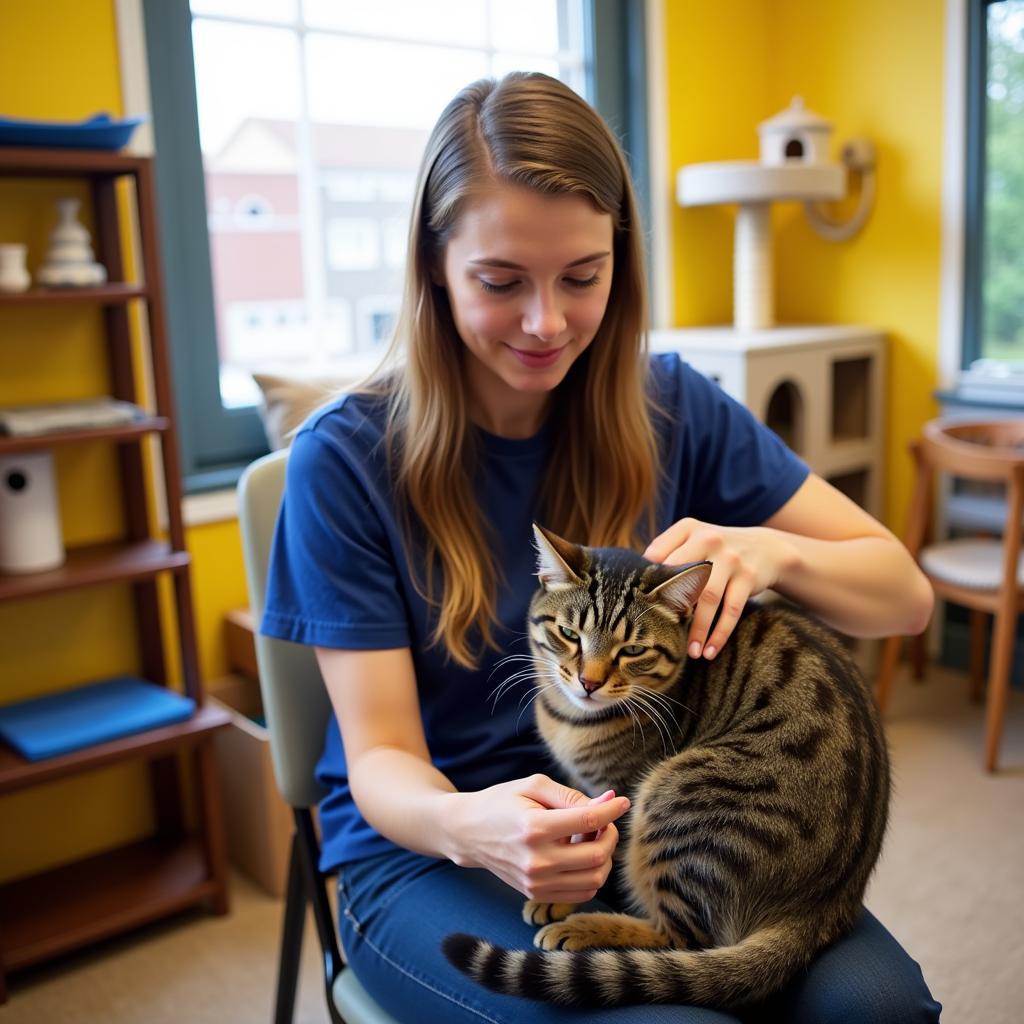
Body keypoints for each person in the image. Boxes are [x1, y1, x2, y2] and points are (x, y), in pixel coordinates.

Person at [261, 72, 941, 1024]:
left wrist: (776, 556)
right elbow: (379, 762)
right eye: (501, 281)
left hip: (650, 814)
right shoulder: (346, 460)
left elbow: (903, 597)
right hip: (435, 845)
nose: (548, 322)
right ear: (433, 269)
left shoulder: (671, 403)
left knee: (878, 1009)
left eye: (582, 276)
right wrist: (471, 825)